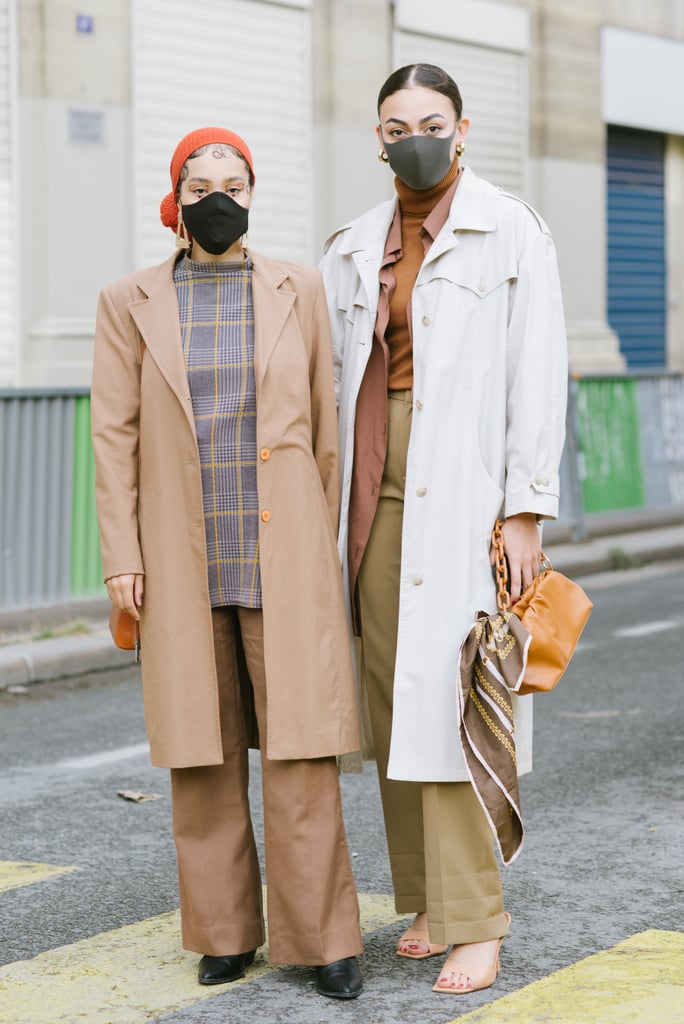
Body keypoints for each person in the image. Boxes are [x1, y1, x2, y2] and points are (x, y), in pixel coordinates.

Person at [91, 127, 363, 999]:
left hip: (280, 551)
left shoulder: (300, 289)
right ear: (177, 195)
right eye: (201, 183)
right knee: (202, 756)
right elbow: (114, 440)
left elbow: (325, 430)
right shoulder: (127, 300)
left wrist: (318, 545)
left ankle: (323, 940)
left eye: (234, 183)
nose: (219, 197)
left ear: (253, 194)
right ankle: (224, 932)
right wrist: (122, 557)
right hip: (179, 556)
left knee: (301, 750)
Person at [319, 64, 567, 995]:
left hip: (462, 482)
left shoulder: (511, 229)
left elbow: (537, 370)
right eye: (394, 124)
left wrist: (524, 508)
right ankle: (424, 898)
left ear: (463, 129)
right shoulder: (350, 245)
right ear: (375, 136)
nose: (412, 136)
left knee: (456, 696)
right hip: (374, 482)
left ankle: (478, 920)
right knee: (391, 699)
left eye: (429, 121)